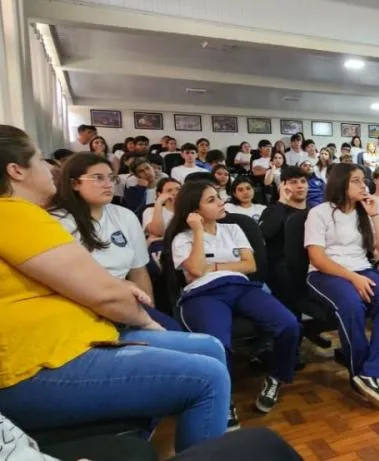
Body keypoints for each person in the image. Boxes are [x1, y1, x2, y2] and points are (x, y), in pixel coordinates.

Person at [0, 124, 230, 453]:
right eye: (39, 159)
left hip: (77, 337)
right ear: (16, 170)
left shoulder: (27, 215)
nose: (50, 168)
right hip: (32, 365)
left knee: (210, 347)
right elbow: (105, 293)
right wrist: (147, 320)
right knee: (209, 377)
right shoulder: (13, 214)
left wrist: (121, 295)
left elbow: (109, 282)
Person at [163, 181, 300, 420]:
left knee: (289, 324)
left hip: (240, 287)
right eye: (212, 200)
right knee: (218, 343)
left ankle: (276, 377)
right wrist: (198, 231)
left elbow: (250, 265)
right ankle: (222, 398)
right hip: (204, 293)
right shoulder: (182, 238)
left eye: (219, 197)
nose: (221, 202)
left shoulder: (234, 229)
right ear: (194, 211)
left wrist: (214, 266)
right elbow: (195, 269)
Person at [304, 163, 379, 409]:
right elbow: (317, 258)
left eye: (363, 180)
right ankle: (359, 371)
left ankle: (372, 373)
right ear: (341, 183)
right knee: (351, 305)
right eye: (356, 181)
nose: (364, 185)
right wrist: (353, 278)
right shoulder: (319, 213)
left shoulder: (363, 212)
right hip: (325, 273)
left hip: (362, 269)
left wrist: (375, 215)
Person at [49, 153, 183, 330]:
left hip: (125, 301)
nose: (108, 184)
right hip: (80, 304)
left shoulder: (125, 216)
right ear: (75, 184)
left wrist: (149, 311)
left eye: (111, 178)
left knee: (175, 332)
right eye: (98, 178)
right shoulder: (57, 222)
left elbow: (138, 271)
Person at [259, 168, 309, 312]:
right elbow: (265, 233)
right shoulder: (273, 210)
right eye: (293, 182)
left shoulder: (314, 212)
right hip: (282, 270)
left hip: (310, 265)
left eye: (303, 181)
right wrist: (282, 202)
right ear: (283, 186)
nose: (300, 186)